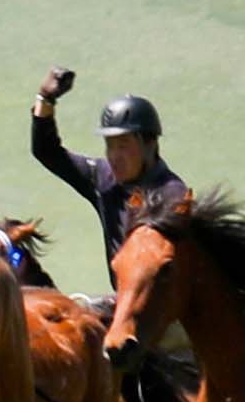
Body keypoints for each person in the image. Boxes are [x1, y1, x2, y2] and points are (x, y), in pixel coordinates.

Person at [28, 66, 182, 285]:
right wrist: (45, 98)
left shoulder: (173, 197)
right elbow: (47, 152)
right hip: (123, 304)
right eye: (109, 146)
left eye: (123, 145)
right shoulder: (104, 178)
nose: (114, 156)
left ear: (150, 144)